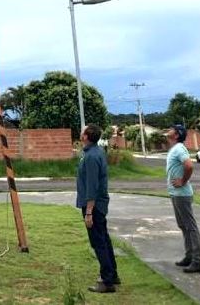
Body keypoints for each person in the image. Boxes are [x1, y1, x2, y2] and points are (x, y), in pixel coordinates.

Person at [77, 124, 120, 294]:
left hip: (94, 205)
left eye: (83, 131)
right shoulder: (93, 152)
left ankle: (106, 281)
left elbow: (92, 186)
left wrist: (89, 212)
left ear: (86, 136)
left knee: (98, 242)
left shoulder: (92, 156)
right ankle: (113, 274)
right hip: (97, 204)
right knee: (104, 239)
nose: (81, 132)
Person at [166, 125, 200, 273]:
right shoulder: (175, 148)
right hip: (176, 194)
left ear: (177, 135)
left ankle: (198, 261)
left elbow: (189, 166)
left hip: (182, 194)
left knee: (190, 227)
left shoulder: (179, 148)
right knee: (183, 226)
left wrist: (182, 181)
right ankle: (189, 256)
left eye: (171, 129)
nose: (168, 130)